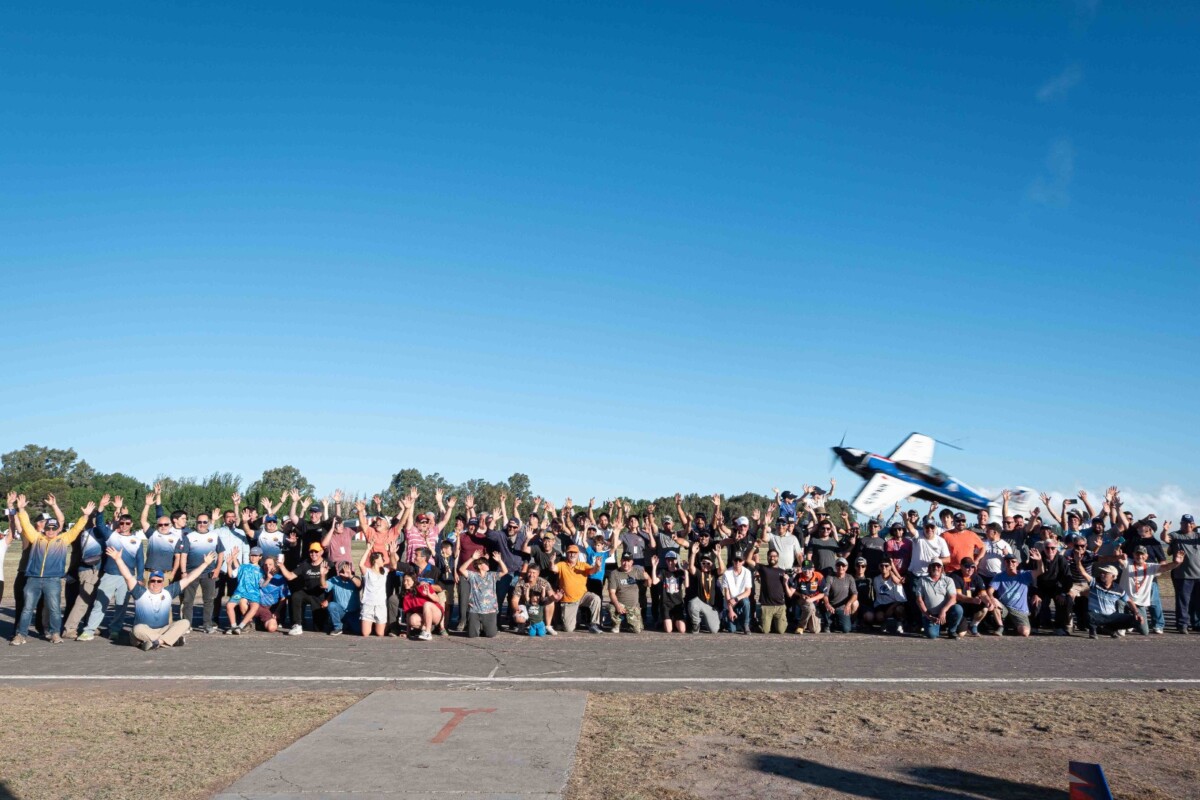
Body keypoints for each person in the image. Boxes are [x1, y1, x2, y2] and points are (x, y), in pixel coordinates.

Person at [10, 495, 93, 646]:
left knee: (54, 609)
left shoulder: (63, 540)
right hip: (33, 579)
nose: (50, 531)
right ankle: (20, 635)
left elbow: (77, 529)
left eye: (53, 528)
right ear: (44, 529)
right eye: (48, 528)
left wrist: (85, 515)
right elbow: (27, 524)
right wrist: (21, 509)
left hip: (53, 580)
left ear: (58, 529)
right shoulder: (36, 538)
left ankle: (55, 634)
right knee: (27, 609)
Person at [107, 545, 217, 651]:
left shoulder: (169, 591)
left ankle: (157, 643)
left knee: (185, 623)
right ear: (149, 582)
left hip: (163, 630)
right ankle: (169, 641)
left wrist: (205, 564)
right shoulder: (140, 592)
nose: (156, 583)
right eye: (153, 581)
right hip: (144, 631)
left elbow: (189, 578)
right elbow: (128, 576)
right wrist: (118, 559)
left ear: (162, 582)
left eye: (159, 581)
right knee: (137, 629)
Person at [78, 498, 146, 642]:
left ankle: (115, 630)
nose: (124, 525)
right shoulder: (111, 535)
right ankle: (89, 630)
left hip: (127, 578)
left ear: (131, 524)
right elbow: (100, 524)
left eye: (127, 523)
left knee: (121, 606)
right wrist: (101, 507)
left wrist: (139, 578)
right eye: (122, 523)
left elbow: (140, 560)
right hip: (109, 575)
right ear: (119, 523)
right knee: (100, 603)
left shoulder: (137, 541)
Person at [1118, 546, 1183, 636]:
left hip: (1139, 603)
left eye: (1142, 555)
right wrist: (1118, 553)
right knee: (1119, 602)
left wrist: (1176, 563)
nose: (1139, 557)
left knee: (1145, 632)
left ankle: (1131, 622)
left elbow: (1167, 567)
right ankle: (1121, 626)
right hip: (1126, 600)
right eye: (1137, 554)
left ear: (1146, 556)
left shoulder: (1151, 567)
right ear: (1133, 555)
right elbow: (1120, 559)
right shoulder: (1128, 562)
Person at [178, 512, 226, 633]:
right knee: (188, 600)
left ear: (208, 523)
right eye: (199, 522)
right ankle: (186, 624)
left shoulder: (214, 536)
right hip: (191, 573)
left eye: (205, 522)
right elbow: (183, 555)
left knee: (209, 600)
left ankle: (207, 625)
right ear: (196, 523)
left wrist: (218, 569)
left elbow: (221, 553)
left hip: (209, 573)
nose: (202, 524)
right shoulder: (189, 536)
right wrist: (183, 572)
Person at [987, 550, 1043, 637]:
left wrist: (1039, 560)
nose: (1010, 563)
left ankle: (1013, 625)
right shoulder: (999, 576)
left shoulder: (1024, 575)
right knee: (993, 600)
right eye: (1008, 561)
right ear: (1005, 563)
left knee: (1025, 632)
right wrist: (991, 598)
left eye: (1013, 561)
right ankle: (1000, 626)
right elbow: (990, 591)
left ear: (1017, 564)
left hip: (1019, 611)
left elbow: (1040, 571)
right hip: (1004, 607)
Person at [277, 542, 329, 635]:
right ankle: (297, 625)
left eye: (316, 551)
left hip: (320, 595)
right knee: (296, 595)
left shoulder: (328, 564)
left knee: (318, 628)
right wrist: (281, 565)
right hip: (307, 592)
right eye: (311, 552)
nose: (313, 554)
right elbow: (290, 576)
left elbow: (326, 586)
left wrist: (328, 599)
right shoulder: (305, 564)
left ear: (321, 552)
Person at [551, 545, 603, 634]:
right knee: (568, 629)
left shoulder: (583, 565)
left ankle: (594, 624)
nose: (572, 555)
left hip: (583, 596)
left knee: (596, 598)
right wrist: (551, 561)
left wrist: (597, 566)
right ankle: (575, 616)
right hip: (569, 600)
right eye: (570, 552)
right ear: (567, 554)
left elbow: (593, 571)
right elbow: (553, 568)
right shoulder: (562, 565)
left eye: (574, 553)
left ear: (578, 554)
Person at [459, 549, 507, 638]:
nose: (488, 565)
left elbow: (505, 571)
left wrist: (500, 561)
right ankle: (478, 626)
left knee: (491, 634)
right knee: (472, 635)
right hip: (475, 610)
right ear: (480, 566)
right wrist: (472, 558)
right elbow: (461, 569)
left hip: (490, 610)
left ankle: (484, 627)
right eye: (485, 563)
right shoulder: (473, 575)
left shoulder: (492, 575)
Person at [1087, 564, 1143, 639]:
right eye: (1101, 572)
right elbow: (1083, 573)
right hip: (1096, 615)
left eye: (1105, 573)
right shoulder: (1094, 583)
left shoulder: (1118, 589)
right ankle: (1093, 630)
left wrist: (1137, 612)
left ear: (1113, 577)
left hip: (1111, 616)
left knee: (1136, 621)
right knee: (1089, 616)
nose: (1102, 574)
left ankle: (1110, 629)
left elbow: (1129, 601)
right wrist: (1078, 563)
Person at [223, 546, 265, 635]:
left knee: (254, 607)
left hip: (254, 593)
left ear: (260, 557)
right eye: (251, 555)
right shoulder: (243, 566)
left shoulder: (262, 570)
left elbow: (262, 584)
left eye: (256, 556)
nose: (253, 557)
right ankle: (234, 626)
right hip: (240, 591)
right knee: (229, 606)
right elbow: (231, 575)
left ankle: (240, 626)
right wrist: (228, 564)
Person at [605, 552, 648, 633]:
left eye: (628, 561)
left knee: (637, 630)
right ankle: (616, 624)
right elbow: (611, 593)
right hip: (620, 605)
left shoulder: (636, 571)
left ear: (632, 562)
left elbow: (648, 584)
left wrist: (648, 578)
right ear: (620, 561)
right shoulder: (614, 573)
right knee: (611, 608)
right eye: (624, 561)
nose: (626, 563)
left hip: (633, 607)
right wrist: (617, 606)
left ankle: (627, 624)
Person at [951, 558, 994, 637]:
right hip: (959, 606)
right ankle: (960, 626)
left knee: (985, 607)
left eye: (972, 566)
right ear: (961, 566)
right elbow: (958, 596)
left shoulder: (977, 577)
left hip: (972, 604)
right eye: (967, 566)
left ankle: (973, 625)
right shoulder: (955, 576)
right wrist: (972, 600)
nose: (970, 569)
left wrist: (989, 602)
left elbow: (983, 594)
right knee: (961, 634)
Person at [511, 563, 556, 637]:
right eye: (529, 572)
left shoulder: (543, 582)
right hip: (525, 605)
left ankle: (548, 626)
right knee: (519, 618)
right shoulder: (521, 583)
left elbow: (552, 596)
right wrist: (517, 609)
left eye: (534, 573)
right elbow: (514, 600)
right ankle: (523, 625)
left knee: (551, 601)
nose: (531, 575)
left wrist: (557, 597)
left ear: (538, 573)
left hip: (539, 606)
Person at [649, 551, 689, 633]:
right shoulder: (663, 572)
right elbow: (654, 582)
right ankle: (663, 619)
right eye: (668, 560)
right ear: (666, 561)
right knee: (668, 630)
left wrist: (686, 571)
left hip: (677, 603)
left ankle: (673, 619)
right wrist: (654, 566)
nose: (670, 562)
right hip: (666, 603)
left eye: (672, 560)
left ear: (676, 561)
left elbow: (687, 585)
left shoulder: (680, 572)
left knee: (682, 630)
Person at [867, 561, 907, 634]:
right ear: (879, 567)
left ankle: (899, 623)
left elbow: (901, 600)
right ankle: (883, 623)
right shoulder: (876, 579)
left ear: (890, 567)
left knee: (900, 609)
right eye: (881, 565)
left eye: (886, 566)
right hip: (881, 604)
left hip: (894, 604)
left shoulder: (896, 581)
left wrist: (891, 608)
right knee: (879, 616)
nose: (884, 567)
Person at [686, 550, 721, 633]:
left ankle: (707, 622)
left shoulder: (713, 573)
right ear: (700, 564)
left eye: (708, 563)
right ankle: (696, 624)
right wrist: (693, 553)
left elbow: (722, 569)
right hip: (700, 603)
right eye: (703, 563)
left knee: (714, 630)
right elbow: (691, 568)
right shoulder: (699, 573)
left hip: (711, 606)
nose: (705, 565)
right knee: (693, 603)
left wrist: (719, 556)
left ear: (712, 564)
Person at [819, 557, 858, 633]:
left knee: (846, 629)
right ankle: (828, 623)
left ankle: (843, 622)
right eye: (838, 565)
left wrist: (848, 604)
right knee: (823, 603)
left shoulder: (850, 578)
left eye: (843, 565)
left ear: (846, 567)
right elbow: (825, 593)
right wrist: (827, 604)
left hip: (842, 608)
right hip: (830, 607)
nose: (841, 567)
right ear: (835, 566)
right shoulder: (830, 578)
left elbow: (855, 594)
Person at [789, 560, 825, 635]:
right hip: (801, 600)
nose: (807, 571)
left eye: (809, 569)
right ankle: (801, 626)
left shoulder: (819, 576)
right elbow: (792, 591)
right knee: (810, 607)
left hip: (814, 601)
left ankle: (807, 621)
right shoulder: (798, 576)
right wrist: (800, 595)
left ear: (813, 569)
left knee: (815, 630)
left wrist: (812, 599)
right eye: (804, 569)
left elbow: (822, 594)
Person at [720, 553, 753, 634]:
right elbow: (726, 594)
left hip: (740, 600)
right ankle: (729, 617)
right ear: (732, 561)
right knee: (732, 630)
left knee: (746, 601)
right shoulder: (727, 573)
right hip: (730, 603)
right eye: (736, 560)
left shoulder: (747, 572)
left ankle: (746, 624)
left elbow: (748, 592)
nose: (737, 562)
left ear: (743, 562)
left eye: (740, 560)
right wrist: (730, 610)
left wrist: (736, 599)